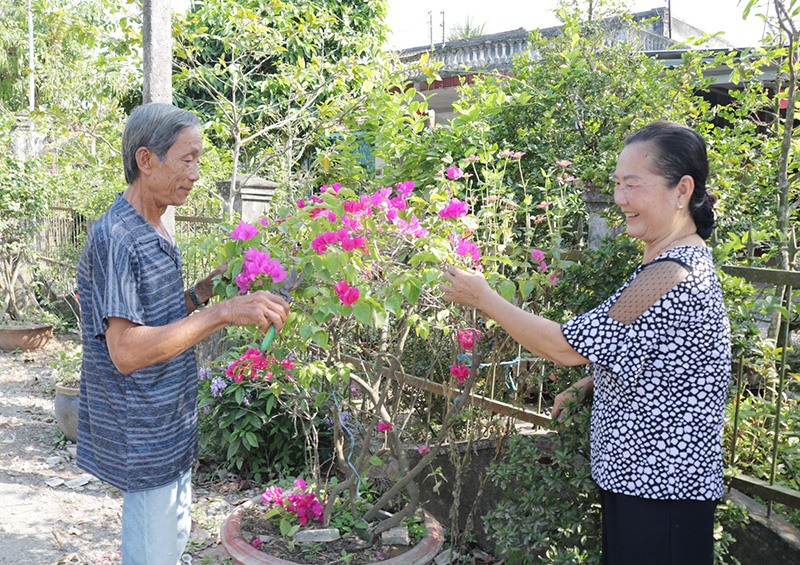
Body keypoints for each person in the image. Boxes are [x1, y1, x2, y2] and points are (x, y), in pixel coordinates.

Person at [441, 121, 730, 565]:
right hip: (648, 484)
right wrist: (592, 382)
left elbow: (564, 347)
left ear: (681, 189)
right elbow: (657, 352)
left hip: (663, 491)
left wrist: (485, 298)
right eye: (617, 185)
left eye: (632, 185)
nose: (620, 199)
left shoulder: (669, 273)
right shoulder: (677, 260)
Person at [76, 103, 290, 565]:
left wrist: (204, 291)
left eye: (198, 160)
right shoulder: (118, 236)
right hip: (144, 433)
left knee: (167, 548)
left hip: (171, 425)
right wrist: (222, 314)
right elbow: (127, 351)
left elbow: (157, 314)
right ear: (146, 160)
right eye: (186, 159)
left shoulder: (155, 229)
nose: (195, 173)